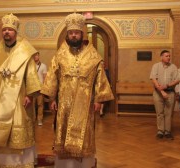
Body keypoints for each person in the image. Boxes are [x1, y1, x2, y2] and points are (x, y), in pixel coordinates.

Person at [40, 13, 114, 168]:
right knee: (63, 132)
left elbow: (100, 78)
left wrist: (99, 100)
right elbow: (52, 76)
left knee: (84, 135)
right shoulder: (60, 55)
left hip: (85, 104)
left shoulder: (93, 56)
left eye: (76, 32)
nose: (74, 35)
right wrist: (52, 99)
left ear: (82, 34)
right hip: (64, 105)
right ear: (68, 34)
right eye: (71, 33)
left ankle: (84, 165)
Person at [0, 13, 41, 167]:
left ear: (15, 32)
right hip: (1, 99)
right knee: (3, 131)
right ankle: (4, 163)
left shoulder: (25, 51)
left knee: (19, 129)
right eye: (4, 30)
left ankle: (23, 163)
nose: (6, 32)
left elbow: (32, 75)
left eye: (10, 30)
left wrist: (30, 94)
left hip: (20, 98)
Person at [150, 50, 179, 140]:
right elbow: (154, 79)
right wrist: (162, 91)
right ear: (161, 57)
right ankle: (160, 131)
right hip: (158, 93)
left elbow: (177, 80)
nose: (168, 57)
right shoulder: (156, 66)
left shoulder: (173, 67)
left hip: (170, 92)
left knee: (169, 113)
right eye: (166, 56)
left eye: (169, 56)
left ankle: (167, 131)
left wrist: (167, 85)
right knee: (160, 113)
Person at [33, 52, 47, 126]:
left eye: (36, 55)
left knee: (40, 105)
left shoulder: (43, 66)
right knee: (32, 105)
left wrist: (44, 89)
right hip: (32, 89)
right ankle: (32, 119)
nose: (35, 57)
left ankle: (39, 120)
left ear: (39, 56)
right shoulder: (30, 66)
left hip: (40, 88)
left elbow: (45, 78)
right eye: (34, 55)